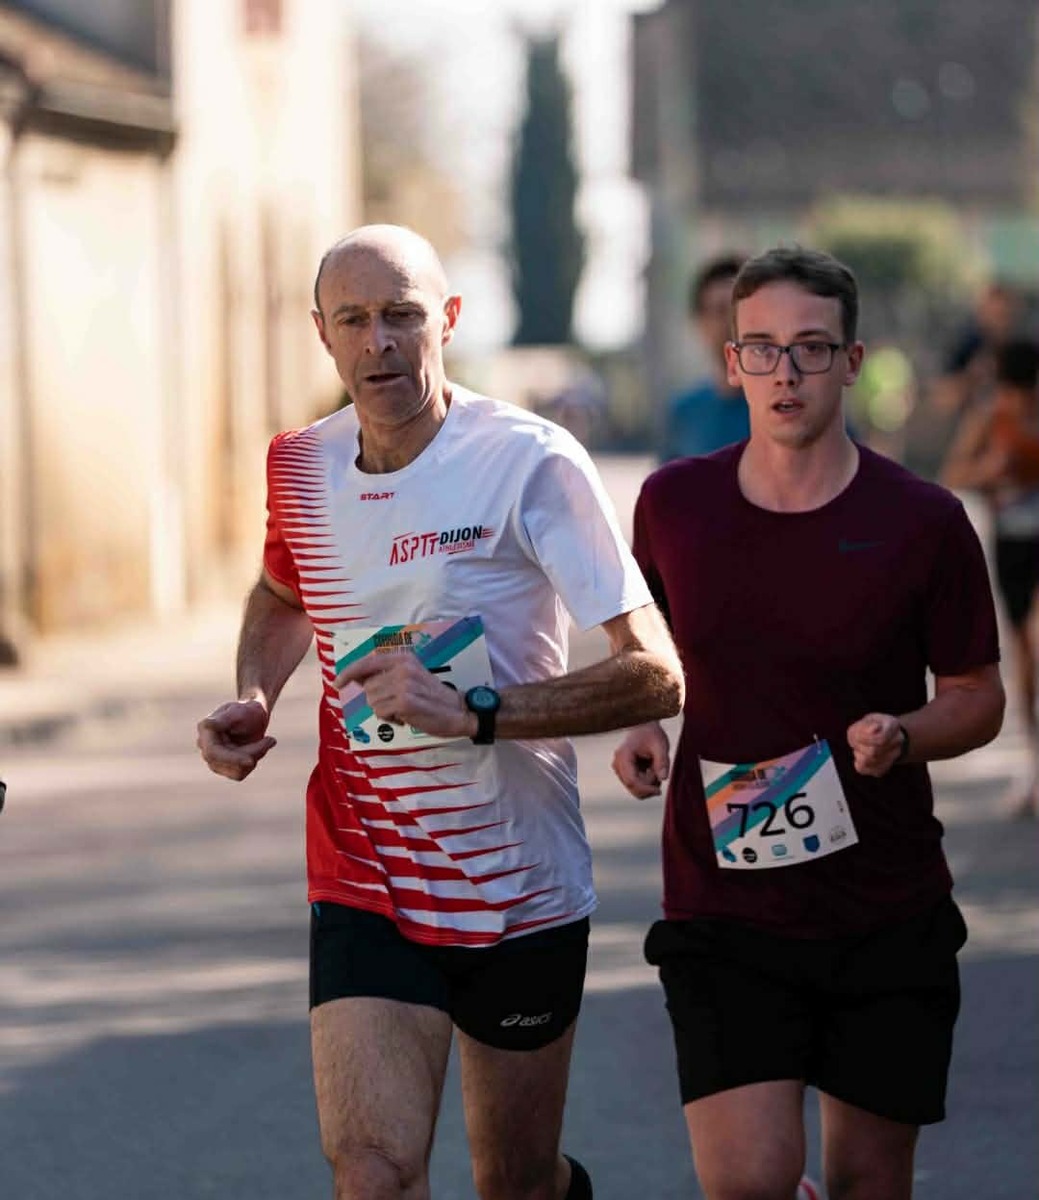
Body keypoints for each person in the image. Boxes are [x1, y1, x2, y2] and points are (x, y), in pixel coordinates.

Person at [196, 224, 683, 1200]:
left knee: (514, 1181)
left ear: (447, 321)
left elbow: (656, 675)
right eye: (355, 321)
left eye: (403, 316)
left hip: (518, 882)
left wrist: (479, 712)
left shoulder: (531, 461)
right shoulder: (300, 465)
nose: (380, 343)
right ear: (323, 336)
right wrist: (256, 690)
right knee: (372, 1173)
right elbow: (284, 594)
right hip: (363, 869)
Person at [612, 247, 1005, 1200]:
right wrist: (643, 721)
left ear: (852, 360)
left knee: (870, 1182)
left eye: (810, 349)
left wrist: (907, 733)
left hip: (882, 905)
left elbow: (977, 694)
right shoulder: (675, 505)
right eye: (762, 349)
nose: (784, 373)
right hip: (724, 905)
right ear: (732, 358)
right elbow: (641, 646)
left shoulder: (921, 519)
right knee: (748, 1182)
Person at [941, 338, 1039, 818]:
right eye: (1014, 392)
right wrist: (992, 471)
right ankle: (1034, 767)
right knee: (1025, 656)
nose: (1022, 403)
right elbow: (953, 474)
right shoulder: (990, 419)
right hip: (1014, 544)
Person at [660, 254, 749, 461]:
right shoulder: (684, 414)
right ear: (700, 322)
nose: (731, 323)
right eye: (720, 311)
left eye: (739, 311)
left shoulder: (784, 408)